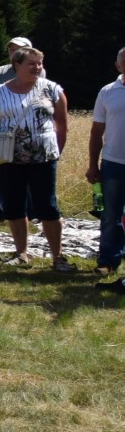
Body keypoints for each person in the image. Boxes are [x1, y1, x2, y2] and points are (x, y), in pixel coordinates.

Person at [0, 47, 74, 272]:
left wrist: (56, 152)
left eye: (39, 63)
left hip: (43, 160)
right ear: (17, 65)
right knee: (14, 206)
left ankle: (58, 258)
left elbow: (62, 126)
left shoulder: (53, 90)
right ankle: (21, 254)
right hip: (8, 159)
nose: (37, 67)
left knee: (48, 207)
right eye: (31, 63)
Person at [0, 36, 37, 222]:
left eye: (18, 49)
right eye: (11, 50)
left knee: (29, 174)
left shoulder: (37, 70)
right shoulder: (1, 71)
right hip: (2, 132)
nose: (13, 53)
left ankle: (31, 214)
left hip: (27, 132)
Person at [89, 47, 125, 282]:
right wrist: (93, 165)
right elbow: (96, 132)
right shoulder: (107, 92)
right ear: (118, 66)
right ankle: (108, 261)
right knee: (111, 215)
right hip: (113, 163)